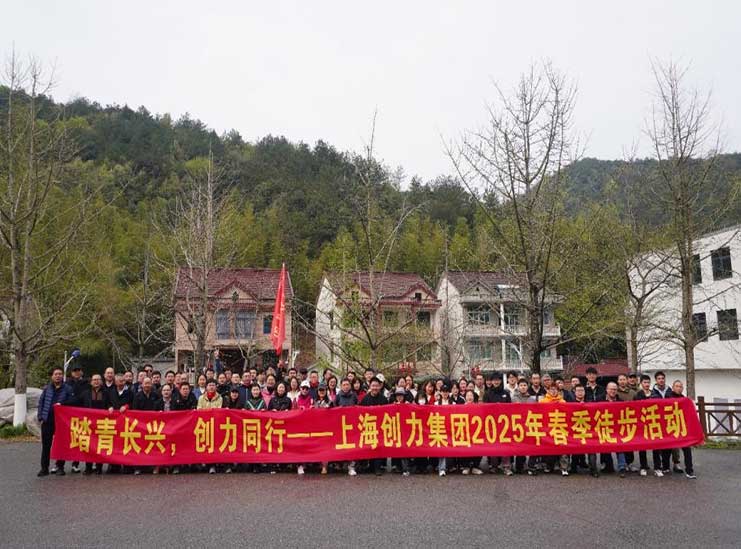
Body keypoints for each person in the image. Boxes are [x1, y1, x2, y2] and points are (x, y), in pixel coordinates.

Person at [37, 368, 75, 477]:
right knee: (46, 446)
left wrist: (62, 404)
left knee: (61, 445)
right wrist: (40, 417)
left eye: (60, 374)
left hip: (61, 422)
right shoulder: (47, 389)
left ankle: (60, 467)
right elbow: (41, 403)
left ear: (62, 376)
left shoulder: (68, 389)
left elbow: (73, 401)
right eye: (56, 374)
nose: (58, 376)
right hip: (47, 421)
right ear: (52, 376)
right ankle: (44, 468)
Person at [483, 374, 513, 475]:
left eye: (498, 380)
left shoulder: (506, 393)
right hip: (492, 423)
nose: (496, 382)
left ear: (500, 381)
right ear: (491, 381)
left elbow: (510, 408)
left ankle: (506, 466)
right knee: (493, 445)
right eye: (494, 380)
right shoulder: (487, 394)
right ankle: (494, 466)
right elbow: (484, 409)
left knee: (505, 445)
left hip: (504, 423)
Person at [538, 384, 570, 476]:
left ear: (558, 391)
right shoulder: (543, 402)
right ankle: (549, 466)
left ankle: (564, 468)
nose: (553, 391)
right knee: (549, 449)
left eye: (555, 389)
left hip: (560, 427)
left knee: (563, 449)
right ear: (548, 390)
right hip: (548, 428)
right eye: (551, 389)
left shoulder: (563, 402)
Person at [633, 374, 661, 477]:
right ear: (641, 383)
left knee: (656, 446)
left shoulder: (655, 394)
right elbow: (634, 409)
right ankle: (643, 467)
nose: (647, 384)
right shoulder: (637, 395)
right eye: (644, 382)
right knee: (642, 446)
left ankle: (657, 467)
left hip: (653, 423)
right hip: (642, 424)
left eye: (648, 382)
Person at [668, 380, 696, 479]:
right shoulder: (668, 398)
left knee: (687, 449)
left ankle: (689, 470)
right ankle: (666, 467)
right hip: (670, 427)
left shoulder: (684, 400)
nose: (679, 388)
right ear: (673, 387)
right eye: (677, 386)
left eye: (680, 387)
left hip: (682, 428)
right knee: (667, 448)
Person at [360, 377, 388, 475]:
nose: (375, 388)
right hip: (369, 426)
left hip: (380, 427)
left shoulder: (384, 399)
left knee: (378, 447)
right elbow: (360, 412)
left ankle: (377, 468)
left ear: (380, 387)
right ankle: (371, 466)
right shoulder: (365, 399)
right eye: (373, 386)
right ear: (370, 386)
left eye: (376, 386)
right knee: (370, 447)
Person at [570, 384, 599, 477]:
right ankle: (573, 467)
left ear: (585, 392)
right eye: (578, 391)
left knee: (592, 450)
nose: (580, 393)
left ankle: (593, 469)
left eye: (582, 391)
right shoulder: (570, 404)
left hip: (589, 430)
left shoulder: (590, 403)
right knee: (575, 451)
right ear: (574, 392)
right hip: (576, 430)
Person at [604, 382, 628, 477]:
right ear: (607, 390)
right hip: (605, 427)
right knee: (605, 447)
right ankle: (608, 466)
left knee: (619, 447)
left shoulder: (621, 401)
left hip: (618, 428)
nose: (613, 391)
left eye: (614, 389)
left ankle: (622, 467)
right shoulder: (599, 400)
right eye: (611, 389)